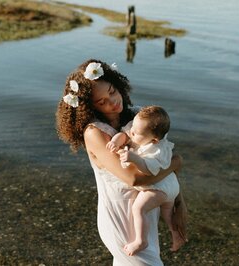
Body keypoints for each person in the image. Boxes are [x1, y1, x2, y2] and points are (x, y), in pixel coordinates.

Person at [56, 59, 187, 265]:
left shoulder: (137, 117)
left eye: (112, 91)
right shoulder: (94, 133)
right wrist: (175, 163)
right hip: (120, 216)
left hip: (146, 211)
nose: (113, 101)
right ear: (89, 107)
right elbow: (133, 178)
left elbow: (160, 157)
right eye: (102, 102)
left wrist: (179, 204)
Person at [106, 105, 185, 256]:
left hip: (159, 188)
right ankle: (177, 235)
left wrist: (134, 158)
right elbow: (125, 134)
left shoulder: (157, 150)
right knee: (167, 214)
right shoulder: (139, 129)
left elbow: (150, 171)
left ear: (154, 140)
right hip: (170, 185)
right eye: (133, 127)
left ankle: (141, 241)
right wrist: (116, 141)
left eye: (136, 133)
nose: (132, 132)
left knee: (138, 209)